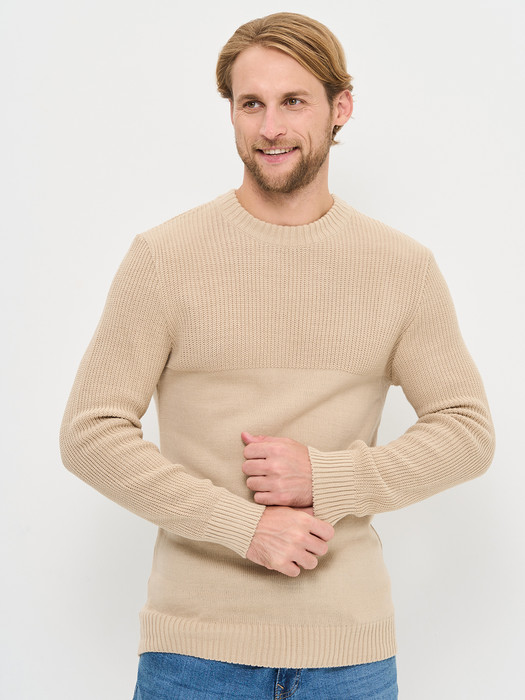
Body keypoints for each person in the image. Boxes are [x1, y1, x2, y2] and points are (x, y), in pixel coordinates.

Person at [60, 12, 495, 700]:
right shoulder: (165, 258)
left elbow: (466, 432)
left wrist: (327, 477)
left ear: (339, 107)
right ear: (230, 111)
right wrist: (244, 527)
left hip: (349, 657)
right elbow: (90, 434)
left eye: (293, 101)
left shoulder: (400, 268)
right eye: (250, 104)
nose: (270, 128)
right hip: (194, 655)